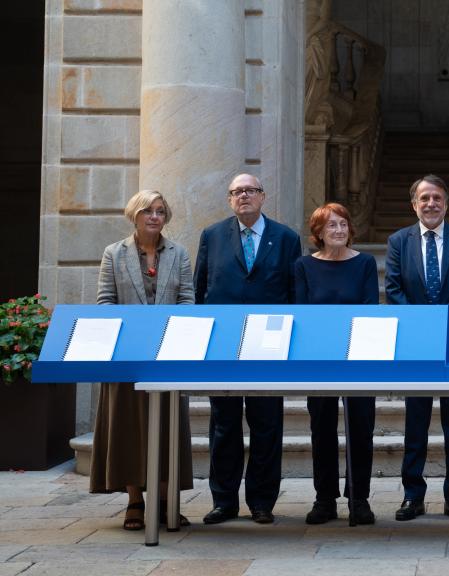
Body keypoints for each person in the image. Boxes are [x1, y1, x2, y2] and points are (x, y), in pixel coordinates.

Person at [194, 173, 302, 525]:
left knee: (266, 425)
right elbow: (200, 291)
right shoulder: (212, 236)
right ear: (229, 199)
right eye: (237, 192)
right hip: (224, 347)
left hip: (269, 346)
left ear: (263, 196)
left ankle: (261, 501)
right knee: (223, 426)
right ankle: (223, 501)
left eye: (250, 190)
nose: (244, 196)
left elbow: (293, 295)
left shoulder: (286, 238)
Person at [90, 190, 194, 531]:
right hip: (126, 355)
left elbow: (187, 301)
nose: (154, 217)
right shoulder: (113, 254)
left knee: (168, 426)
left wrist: (167, 334)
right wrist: (134, 333)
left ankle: (167, 502)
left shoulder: (178, 253)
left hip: (168, 354)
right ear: (134, 215)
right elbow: (105, 302)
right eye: (148, 211)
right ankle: (135, 501)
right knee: (127, 427)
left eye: (160, 211)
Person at [385, 174, 449, 522]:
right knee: (416, 426)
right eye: (424, 198)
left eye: (437, 198)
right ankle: (413, 496)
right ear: (414, 204)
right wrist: (423, 322)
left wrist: (444, 317)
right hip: (417, 345)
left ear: (446, 203)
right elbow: (394, 289)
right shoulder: (398, 241)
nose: (431, 204)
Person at [294, 203, 378, 525]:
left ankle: (359, 498)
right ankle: (324, 499)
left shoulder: (366, 263)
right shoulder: (303, 266)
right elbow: (303, 312)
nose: (339, 231)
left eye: (343, 224)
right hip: (319, 359)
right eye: (331, 226)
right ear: (319, 233)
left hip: (360, 359)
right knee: (322, 428)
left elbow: (370, 309)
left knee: (361, 428)